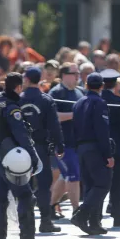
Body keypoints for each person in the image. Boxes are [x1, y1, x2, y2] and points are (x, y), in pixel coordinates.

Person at [0, 72, 46, 239]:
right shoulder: (13, 109)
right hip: (11, 156)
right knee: (26, 196)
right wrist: (34, 159)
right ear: (18, 87)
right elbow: (22, 135)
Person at [20, 66, 65, 233]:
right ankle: (45, 220)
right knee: (44, 185)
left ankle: (25, 221)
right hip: (40, 147)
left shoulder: (19, 99)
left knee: (24, 184)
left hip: (21, 148)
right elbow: (54, 126)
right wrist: (60, 145)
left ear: (26, 79)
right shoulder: (45, 100)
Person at [70, 72, 114, 235]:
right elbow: (102, 130)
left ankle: (94, 222)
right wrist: (108, 154)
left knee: (91, 185)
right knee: (103, 184)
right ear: (101, 86)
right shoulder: (100, 103)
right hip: (95, 148)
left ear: (86, 85)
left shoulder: (78, 103)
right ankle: (82, 215)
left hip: (81, 148)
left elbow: (73, 128)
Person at [49, 62, 84, 217]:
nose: (78, 76)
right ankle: (77, 211)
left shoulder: (80, 93)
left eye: (78, 73)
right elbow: (53, 117)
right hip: (63, 142)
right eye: (74, 73)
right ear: (64, 75)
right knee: (73, 175)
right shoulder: (55, 93)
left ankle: (50, 206)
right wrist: (74, 115)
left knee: (65, 177)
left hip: (78, 141)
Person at [99, 69, 120, 227]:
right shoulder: (119, 102)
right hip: (116, 147)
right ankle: (118, 215)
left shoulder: (94, 100)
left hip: (97, 146)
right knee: (117, 184)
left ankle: (95, 215)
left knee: (97, 183)